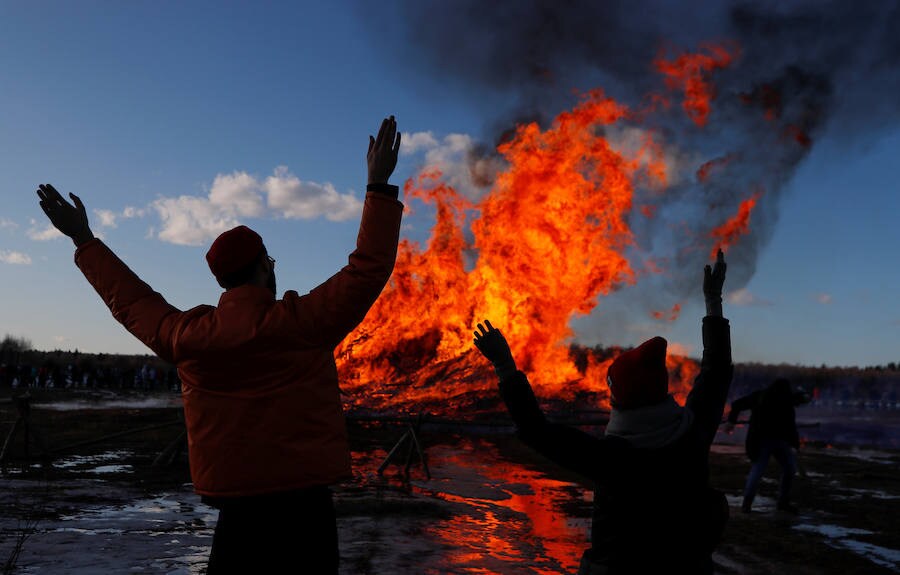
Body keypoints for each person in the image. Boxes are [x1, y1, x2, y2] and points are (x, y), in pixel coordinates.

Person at [36, 116, 403, 574]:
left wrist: (83, 239)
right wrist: (377, 187)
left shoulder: (187, 337)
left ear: (221, 280)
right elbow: (367, 268)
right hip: (305, 510)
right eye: (269, 258)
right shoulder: (303, 323)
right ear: (265, 267)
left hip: (237, 514)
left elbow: (130, 300)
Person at [473, 250, 732, 575]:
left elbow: (535, 429)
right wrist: (713, 299)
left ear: (619, 398)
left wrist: (503, 364)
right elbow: (717, 371)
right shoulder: (692, 434)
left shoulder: (613, 458)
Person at [726, 378, 810, 513]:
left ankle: (761, 504)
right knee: (770, 470)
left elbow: (737, 405)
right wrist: (731, 421)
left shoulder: (763, 396)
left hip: (773, 441)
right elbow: (791, 422)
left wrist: (731, 421)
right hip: (765, 441)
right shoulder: (781, 399)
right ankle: (750, 504)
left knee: (782, 469)